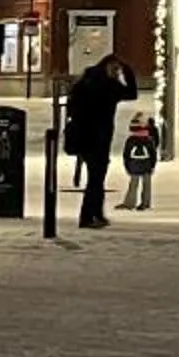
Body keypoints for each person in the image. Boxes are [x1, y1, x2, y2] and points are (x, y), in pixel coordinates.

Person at [63, 52, 137, 230]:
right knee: (96, 178)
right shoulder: (108, 85)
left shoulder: (84, 82)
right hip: (99, 138)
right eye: (116, 69)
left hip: (83, 137)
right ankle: (89, 216)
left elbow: (71, 107)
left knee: (96, 177)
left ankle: (95, 213)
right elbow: (131, 93)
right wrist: (128, 71)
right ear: (108, 67)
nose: (116, 73)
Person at [118, 111, 161, 211]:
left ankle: (130, 202)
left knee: (133, 184)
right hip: (146, 165)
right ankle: (145, 203)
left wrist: (127, 166)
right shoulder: (149, 140)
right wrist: (153, 165)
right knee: (147, 184)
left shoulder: (130, 140)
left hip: (134, 165)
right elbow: (153, 154)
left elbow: (126, 155)